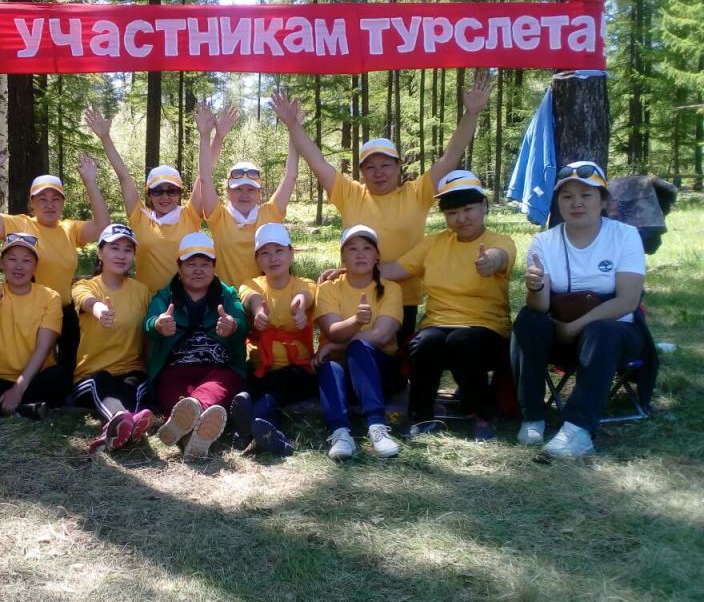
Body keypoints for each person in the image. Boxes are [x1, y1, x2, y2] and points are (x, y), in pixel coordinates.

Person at [270, 70, 492, 343]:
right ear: (362, 171)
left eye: (386, 165)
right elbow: (317, 161)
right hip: (352, 295)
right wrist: (293, 124)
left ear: (399, 166)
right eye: (370, 167)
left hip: (403, 296)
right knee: (351, 354)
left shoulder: (418, 192)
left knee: (398, 363)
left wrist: (472, 113)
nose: (379, 173)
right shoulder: (350, 193)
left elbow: (450, 156)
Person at [511, 162, 648, 457]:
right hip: (559, 335)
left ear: (603, 200)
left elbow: (627, 301)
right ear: (558, 203)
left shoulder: (625, 236)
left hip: (613, 338)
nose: (576, 203)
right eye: (567, 196)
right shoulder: (543, 242)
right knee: (528, 320)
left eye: (586, 195)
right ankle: (532, 416)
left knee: (601, 331)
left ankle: (578, 430)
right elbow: (540, 306)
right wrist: (535, 287)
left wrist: (574, 327)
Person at [381, 171, 517, 440]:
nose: (461, 218)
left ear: (484, 206)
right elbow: (395, 269)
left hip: (486, 328)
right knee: (424, 344)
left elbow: (500, 257)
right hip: (438, 325)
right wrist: (351, 272)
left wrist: (490, 261)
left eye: (468, 209)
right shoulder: (434, 243)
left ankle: (481, 413)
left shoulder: (499, 241)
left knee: (461, 342)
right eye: (452, 212)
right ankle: (420, 417)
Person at [0, 137, 109, 377]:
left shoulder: (70, 229)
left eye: (55, 199)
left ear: (63, 203)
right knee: (27, 368)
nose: (49, 205)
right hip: (28, 310)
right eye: (42, 199)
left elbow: (102, 226)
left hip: (64, 310)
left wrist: (90, 182)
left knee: (66, 375)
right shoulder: (19, 224)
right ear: (31, 203)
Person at [143, 232, 249, 458]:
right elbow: (149, 323)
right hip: (175, 367)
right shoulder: (165, 296)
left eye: (205, 264)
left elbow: (241, 322)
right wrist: (158, 325)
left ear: (214, 267)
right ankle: (193, 435)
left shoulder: (227, 294)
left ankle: (187, 424)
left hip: (219, 367)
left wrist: (232, 326)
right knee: (171, 391)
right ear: (179, 267)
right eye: (191, 264)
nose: (198, 270)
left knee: (215, 388)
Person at [85, 107, 203, 294]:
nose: (165, 196)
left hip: (187, 302)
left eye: (172, 191)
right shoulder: (140, 216)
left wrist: (210, 136)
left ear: (180, 193)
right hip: (147, 301)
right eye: (158, 191)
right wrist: (105, 137)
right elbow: (124, 177)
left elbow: (204, 176)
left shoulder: (190, 215)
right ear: (149, 194)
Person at [314, 225, 405, 461]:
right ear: (343, 257)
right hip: (342, 377)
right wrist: (356, 321)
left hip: (380, 375)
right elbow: (333, 332)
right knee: (329, 366)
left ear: (377, 256)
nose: (360, 254)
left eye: (367, 248)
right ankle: (340, 433)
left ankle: (377, 427)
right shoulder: (327, 289)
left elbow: (382, 336)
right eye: (353, 249)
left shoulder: (391, 289)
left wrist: (337, 347)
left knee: (359, 348)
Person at [0, 233, 71, 417]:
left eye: (26, 260)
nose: (19, 266)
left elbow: (44, 348)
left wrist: (18, 388)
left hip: (33, 378)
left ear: (35, 266)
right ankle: (22, 408)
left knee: (60, 377)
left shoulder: (51, 297)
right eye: (12, 259)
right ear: (2, 263)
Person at [234, 223, 317, 457]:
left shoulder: (305, 284)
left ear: (291, 253)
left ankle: (248, 426)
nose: (273, 258)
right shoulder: (250, 284)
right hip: (260, 366)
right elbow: (252, 297)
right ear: (257, 259)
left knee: (275, 388)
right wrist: (259, 311)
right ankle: (267, 431)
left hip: (297, 369)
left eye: (279, 250)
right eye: (265, 253)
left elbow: (305, 296)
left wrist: (299, 306)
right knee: (258, 385)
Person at [195, 103, 299, 289]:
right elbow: (204, 178)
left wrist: (294, 129)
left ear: (259, 193)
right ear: (228, 192)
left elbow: (290, 177)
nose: (244, 194)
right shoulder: (218, 217)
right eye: (238, 189)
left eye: (250, 189)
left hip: (264, 299)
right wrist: (206, 136)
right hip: (227, 301)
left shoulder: (269, 214)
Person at [71, 223, 154, 453]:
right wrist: (100, 311)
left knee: (134, 384)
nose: (121, 255)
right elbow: (87, 301)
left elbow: (148, 336)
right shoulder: (84, 285)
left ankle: (124, 424)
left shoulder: (142, 291)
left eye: (128, 250)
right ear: (100, 252)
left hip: (130, 370)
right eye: (114, 248)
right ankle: (121, 419)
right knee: (103, 380)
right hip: (91, 375)